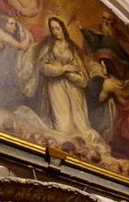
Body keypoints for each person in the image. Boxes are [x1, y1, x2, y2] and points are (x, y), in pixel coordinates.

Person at [20, 17, 106, 148]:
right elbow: (43, 66)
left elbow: (80, 70)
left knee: (81, 126)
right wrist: (62, 69)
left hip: (74, 87)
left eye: (57, 28)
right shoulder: (49, 46)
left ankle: (81, 149)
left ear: (63, 29)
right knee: (63, 126)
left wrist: (76, 76)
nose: (55, 32)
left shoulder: (71, 47)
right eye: (53, 29)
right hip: (56, 86)